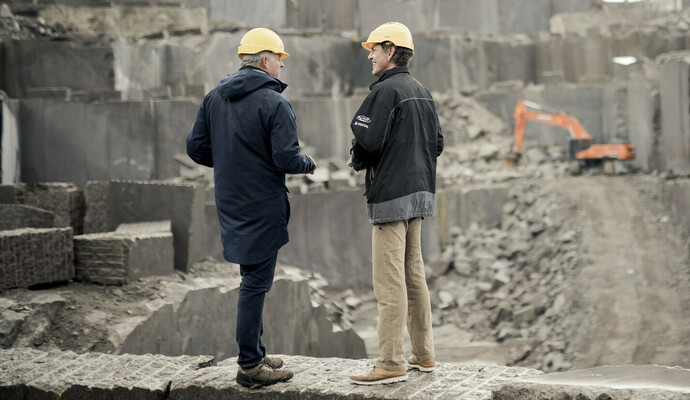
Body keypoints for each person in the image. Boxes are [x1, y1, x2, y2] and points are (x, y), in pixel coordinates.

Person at [186, 27, 316, 388]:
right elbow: (286, 158)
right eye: (279, 59)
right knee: (255, 283)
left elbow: (196, 148)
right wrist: (308, 163)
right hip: (262, 205)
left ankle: (256, 351)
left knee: (251, 277)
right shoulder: (275, 103)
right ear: (263, 60)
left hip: (231, 201)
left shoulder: (215, 97)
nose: (281, 66)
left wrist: (232, 160)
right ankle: (249, 365)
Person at [348, 22, 444, 385]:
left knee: (389, 283)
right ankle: (424, 354)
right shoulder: (422, 91)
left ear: (390, 51)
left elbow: (367, 141)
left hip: (391, 198)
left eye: (373, 49)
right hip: (419, 196)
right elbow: (437, 144)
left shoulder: (384, 92)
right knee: (413, 276)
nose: (369, 55)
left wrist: (357, 156)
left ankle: (390, 361)